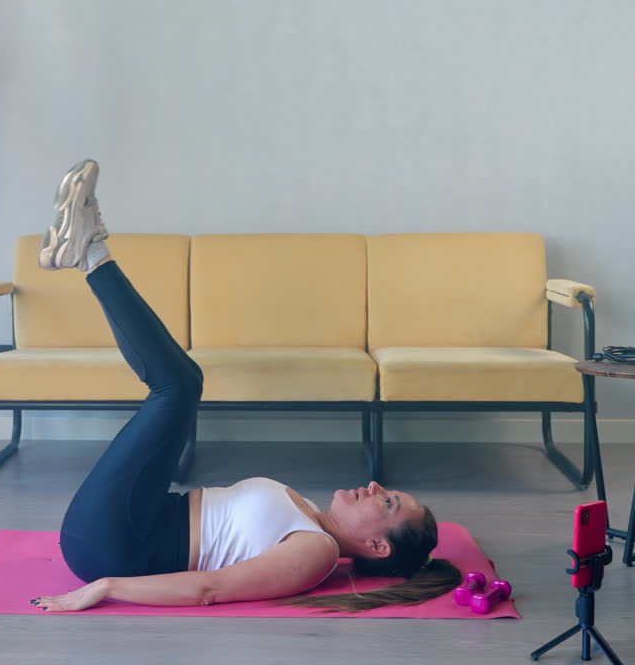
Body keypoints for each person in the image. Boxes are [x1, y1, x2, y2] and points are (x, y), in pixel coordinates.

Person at [30, 160, 461, 613]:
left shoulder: (318, 552)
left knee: (178, 385)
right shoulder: (310, 514)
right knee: (179, 384)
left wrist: (106, 588)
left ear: (377, 546)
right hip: (143, 515)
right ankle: (90, 251)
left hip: (116, 544)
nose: (375, 485)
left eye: (389, 503)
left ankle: (91, 252)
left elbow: (210, 589)